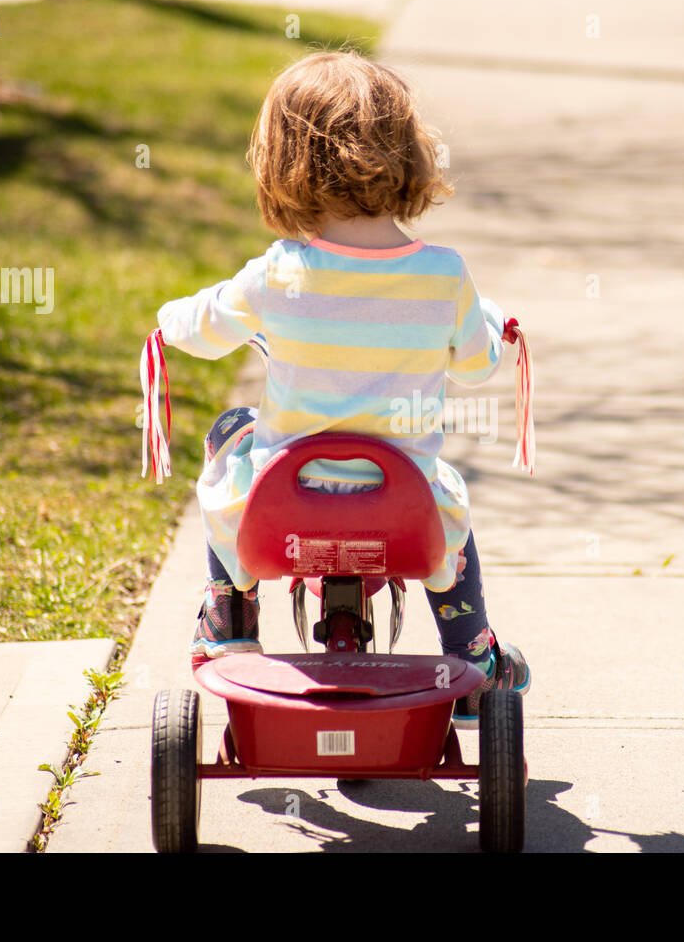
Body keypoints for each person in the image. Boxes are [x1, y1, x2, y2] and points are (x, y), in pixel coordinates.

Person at [154, 50, 530, 724]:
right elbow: (477, 365)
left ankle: (230, 614)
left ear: (282, 163)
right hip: (403, 514)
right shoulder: (445, 276)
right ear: (407, 153)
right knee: (449, 498)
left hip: (281, 514)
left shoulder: (279, 272)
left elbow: (207, 328)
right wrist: (492, 330)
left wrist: (169, 319)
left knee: (227, 433)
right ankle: (472, 652)